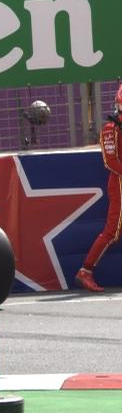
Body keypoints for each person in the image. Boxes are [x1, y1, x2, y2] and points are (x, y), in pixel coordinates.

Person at [75, 83, 122, 292]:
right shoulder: (110, 130)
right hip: (119, 185)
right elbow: (111, 162)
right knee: (112, 231)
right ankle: (85, 271)